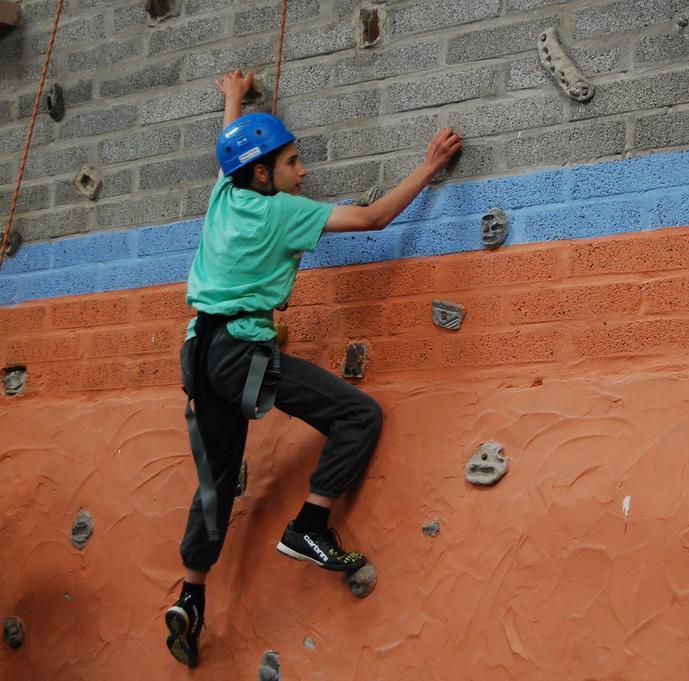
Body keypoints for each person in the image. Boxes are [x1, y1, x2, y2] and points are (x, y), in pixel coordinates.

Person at [164, 69, 462, 668]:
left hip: (198, 353)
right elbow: (374, 219)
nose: (303, 173)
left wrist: (233, 100)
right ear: (262, 173)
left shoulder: (224, 196)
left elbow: (232, 148)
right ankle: (310, 525)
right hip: (240, 356)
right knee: (358, 414)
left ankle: (190, 596)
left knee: (216, 483)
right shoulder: (282, 214)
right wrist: (429, 167)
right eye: (294, 162)